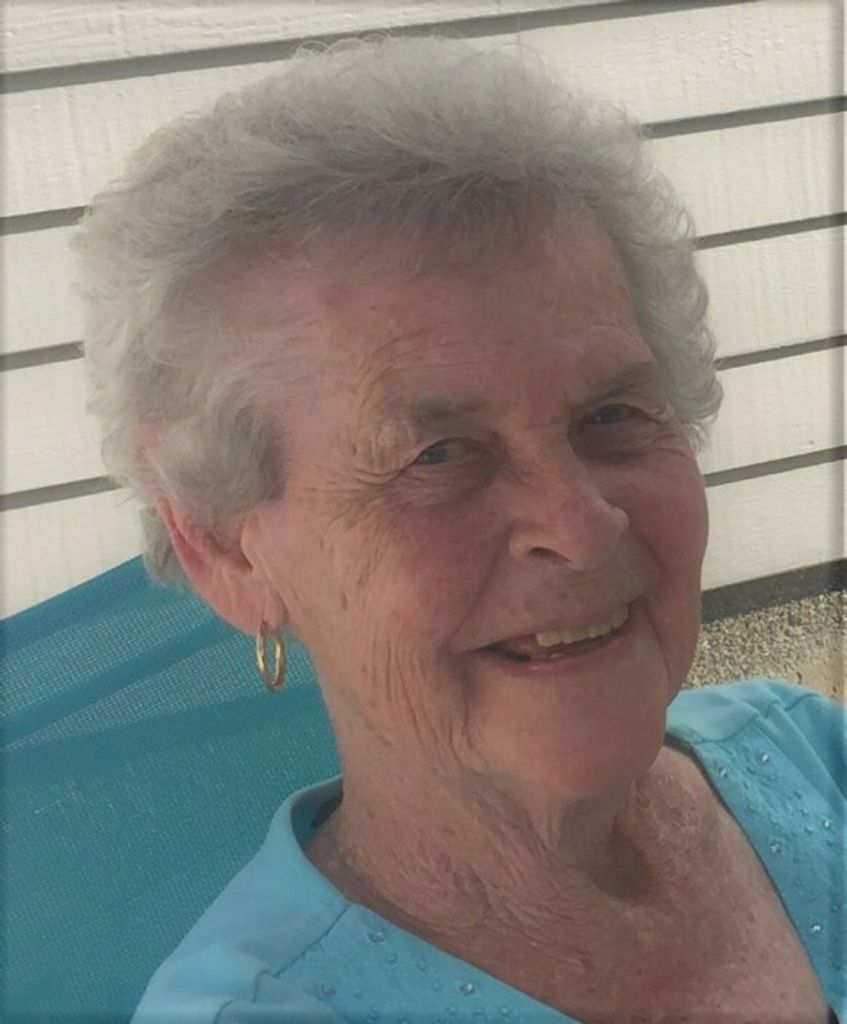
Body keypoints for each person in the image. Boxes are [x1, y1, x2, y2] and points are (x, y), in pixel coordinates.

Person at [74, 36, 844, 1024]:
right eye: (436, 455)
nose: (579, 525)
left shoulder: (808, 753)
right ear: (225, 551)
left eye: (612, 414)